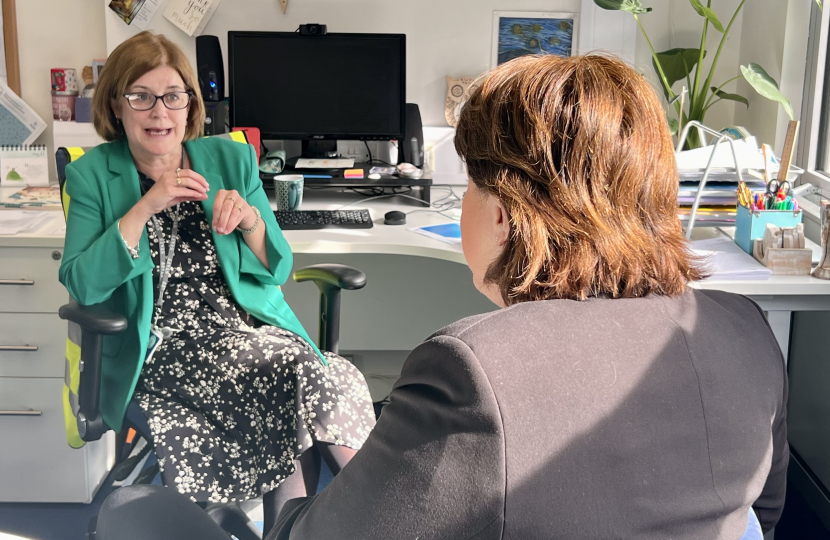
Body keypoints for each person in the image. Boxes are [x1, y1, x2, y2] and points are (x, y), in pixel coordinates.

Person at [95, 53, 787, 540]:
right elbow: (765, 516)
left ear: (504, 214)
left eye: (472, 184)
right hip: (178, 352)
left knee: (135, 512)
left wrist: (289, 514)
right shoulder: (744, 331)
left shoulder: (477, 370)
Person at [58, 31, 376, 531]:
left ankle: (367, 509)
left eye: (173, 96)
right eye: (140, 96)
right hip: (162, 349)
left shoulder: (231, 160)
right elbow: (81, 283)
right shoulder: (94, 176)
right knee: (295, 376)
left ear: (190, 105)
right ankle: (385, 509)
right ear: (117, 107)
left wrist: (251, 221)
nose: (159, 111)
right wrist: (144, 208)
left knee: (321, 374)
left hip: (243, 333)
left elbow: (277, 268)